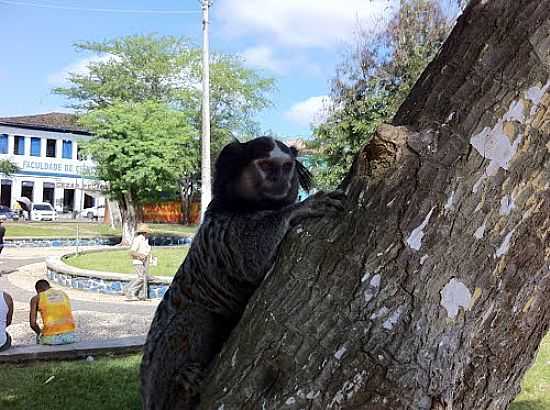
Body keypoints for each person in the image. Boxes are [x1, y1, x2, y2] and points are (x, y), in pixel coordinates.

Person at [29, 279, 78, 345]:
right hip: (71, 336)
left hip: (51, 339)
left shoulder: (36, 298)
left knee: (39, 337)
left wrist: (40, 333)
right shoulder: (63, 294)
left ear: (38, 290)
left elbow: (33, 324)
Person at [126, 224, 152, 301]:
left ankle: (142, 295)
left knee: (144, 278)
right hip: (138, 262)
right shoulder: (138, 239)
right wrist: (140, 255)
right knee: (141, 277)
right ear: (145, 232)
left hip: (144, 262)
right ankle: (130, 291)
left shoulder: (145, 240)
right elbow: (131, 251)